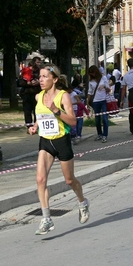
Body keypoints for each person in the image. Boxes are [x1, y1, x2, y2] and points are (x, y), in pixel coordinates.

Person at [28, 63, 90, 235]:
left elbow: (72, 121)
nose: (40, 80)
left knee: (69, 180)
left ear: (54, 79)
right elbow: (40, 118)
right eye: (39, 77)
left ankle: (82, 202)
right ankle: (46, 218)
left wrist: (56, 110)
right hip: (46, 142)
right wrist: (34, 127)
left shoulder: (63, 97)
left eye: (44, 77)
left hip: (62, 141)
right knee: (40, 179)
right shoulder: (38, 97)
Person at [87, 65, 111, 143]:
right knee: (97, 119)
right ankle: (99, 134)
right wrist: (87, 102)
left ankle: (105, 135)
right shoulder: (91, 81)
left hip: (103, 100)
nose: (92, 75)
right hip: (95, 101)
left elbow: (108, 90)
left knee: (104, 119)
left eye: (93, 73)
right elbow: (90, 92)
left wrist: (104, 86)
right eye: (91, 74)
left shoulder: (103, 78)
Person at [19, 57, 41, 130]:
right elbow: (21, 82)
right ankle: (29, 126)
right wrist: (29, 83)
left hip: (37, 94)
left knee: (37, 111)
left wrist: (38, 82)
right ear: (34, 62)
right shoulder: (26, 71)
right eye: (37, 62)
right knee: (27, 111)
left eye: (39, 62)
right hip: (27, 94)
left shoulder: (40, 72)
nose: (39, 64)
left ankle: (36, 126)